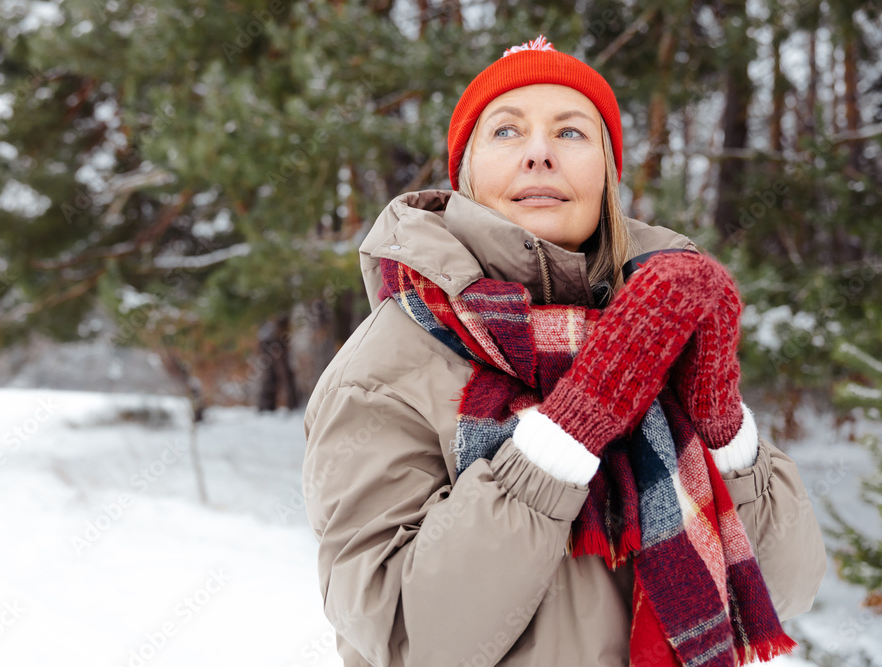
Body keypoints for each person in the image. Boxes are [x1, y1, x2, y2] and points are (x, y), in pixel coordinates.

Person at [302, 36, 826, 667]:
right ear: (464, 177)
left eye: (572, 133)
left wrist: (720, 425)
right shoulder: (384, 368)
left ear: (606, 173)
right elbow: (412, 638)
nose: (540, 154)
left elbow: (786, 589)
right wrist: (570, 430)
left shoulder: (657, 329)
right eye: (506, 131)